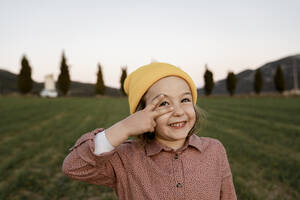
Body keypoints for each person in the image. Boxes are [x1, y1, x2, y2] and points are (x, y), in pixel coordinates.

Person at [62, 62, 237, 200]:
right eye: (163, 103)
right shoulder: (125, 159)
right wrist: (125, 127)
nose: (178, 111)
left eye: (185, 99)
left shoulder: (215, 150)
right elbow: (74, 167)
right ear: (141, 114)